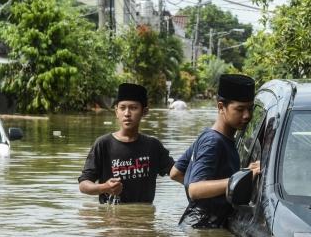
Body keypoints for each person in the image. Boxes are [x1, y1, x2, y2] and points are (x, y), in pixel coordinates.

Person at [170, 74, 260, 228]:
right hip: (203, 227)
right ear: (221, 107)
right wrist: (241, 179)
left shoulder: (208, 135)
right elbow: (195, 189)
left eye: (250, 108)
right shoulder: (213, 142)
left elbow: (175, 172)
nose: (247, 115)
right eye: (239, 109)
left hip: (195, 223)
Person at [78, 83, 174, 204]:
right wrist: (105, 187)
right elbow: (83, 185)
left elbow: (176, 172)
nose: (127, 113)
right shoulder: (103, 144)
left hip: (144, 218)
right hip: (111, 218)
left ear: (144, 111)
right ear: (116, 111)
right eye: (122, 108)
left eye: (133, 108)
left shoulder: (153, 146)